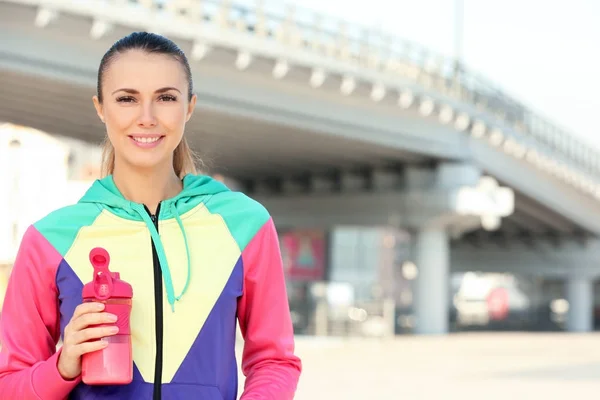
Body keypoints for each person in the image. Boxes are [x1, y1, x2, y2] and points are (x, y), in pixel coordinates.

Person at [0, 32, 301, 399]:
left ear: (189, 107)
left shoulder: (245, 225)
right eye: (127, 99)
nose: (146, 118)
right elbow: (8, 385)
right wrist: (63, 367)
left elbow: (274, 361)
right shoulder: (50, 239)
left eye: (166, 98)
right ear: (100, 108)